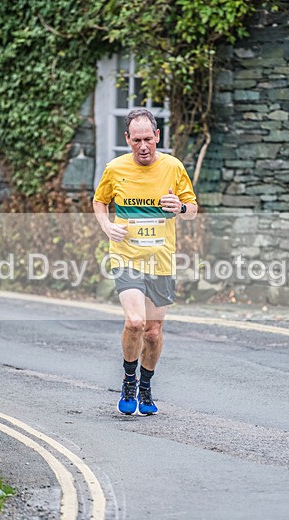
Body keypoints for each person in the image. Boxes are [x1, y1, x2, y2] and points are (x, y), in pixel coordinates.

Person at [93, 108, 198, 416]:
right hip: (126, 257)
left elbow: (192, 209)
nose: (142, 146)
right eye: (136, 139)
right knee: (135, 322)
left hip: (161, 261)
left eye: (148, 139)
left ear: (157, 137)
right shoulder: (115, 168)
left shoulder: (173, 167)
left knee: (152, 331)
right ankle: (128, 380)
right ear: (127, 139)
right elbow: (100, 201)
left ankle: (146, 386)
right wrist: (107, 225)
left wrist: (179, 207)